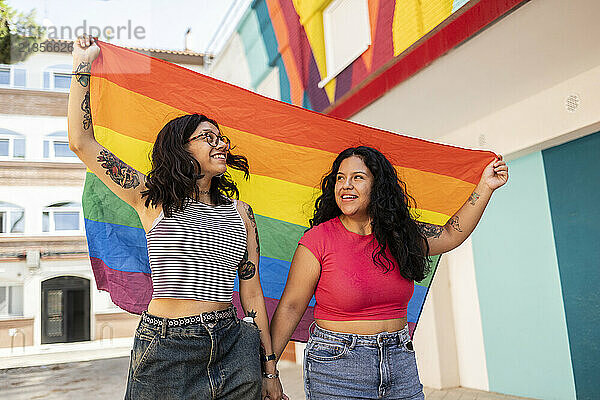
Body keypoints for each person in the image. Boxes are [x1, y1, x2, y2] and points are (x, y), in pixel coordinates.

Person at [68, 35, 286, 400]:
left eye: (221, 137)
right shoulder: (150, 197)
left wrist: (269, 369)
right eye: (207, 137)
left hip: (234, 345)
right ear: (181, 148)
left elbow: (251, 290)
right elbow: (82, 142)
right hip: (167, 348)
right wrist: (82, 64)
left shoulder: (241, 212)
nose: (222, 143)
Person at [269, 146, 508, 399]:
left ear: (378, 186)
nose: (346, 185)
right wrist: (269, 372)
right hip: (338, 368)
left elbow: (450, 235)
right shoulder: (317, 240)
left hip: (399, 363)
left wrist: (486, 186)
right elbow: (291, 307)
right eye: (340, 178)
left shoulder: (399, 236)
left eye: (357, 177)